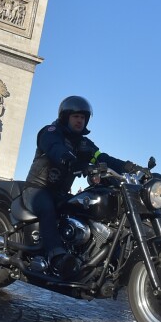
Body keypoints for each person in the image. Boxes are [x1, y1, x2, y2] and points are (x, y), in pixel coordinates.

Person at [23, 95, 137, 280]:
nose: (80, 120)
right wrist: (71, 160)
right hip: (37, 188)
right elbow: (55, 148)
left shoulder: (83, 143)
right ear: (65, 116)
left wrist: (128, 167)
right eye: (76, 116)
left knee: (80, 210)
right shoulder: (51, 132)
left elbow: (103, 158)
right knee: (47, 208)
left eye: (83, 117)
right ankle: (57, 256)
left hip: (60, 193)